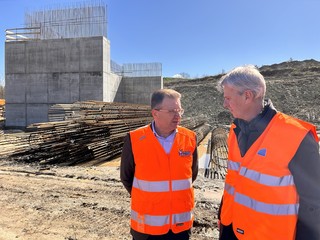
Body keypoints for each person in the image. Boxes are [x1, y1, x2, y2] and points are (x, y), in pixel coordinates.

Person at [217, 65, 320, 240]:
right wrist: (222, 215)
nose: (225, 104)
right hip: (231, 228)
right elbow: (234, 180)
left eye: (228, 98)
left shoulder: (296, 136)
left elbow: (314, 202)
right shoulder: (236, 129)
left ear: (248, 96)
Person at [120, 88, 198, 240]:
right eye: (172, 111)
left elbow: (191, 175)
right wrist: (149, 198)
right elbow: (126, 177)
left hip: (180, 227)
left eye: (180, 110)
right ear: (155, 113)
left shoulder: (190, 138)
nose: (178, 116)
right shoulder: (134, 139)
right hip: (147, 229)